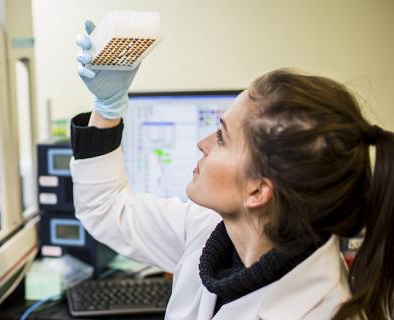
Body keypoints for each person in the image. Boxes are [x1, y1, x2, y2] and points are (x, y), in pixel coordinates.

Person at [70, 20, 393, 319]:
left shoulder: (319, 311)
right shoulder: (211, 233)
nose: (203, 143)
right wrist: (106, 110)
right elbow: (108, 207)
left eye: (222, 137)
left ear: (258, 191)